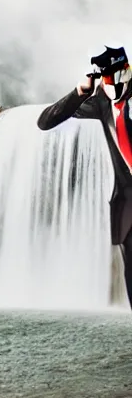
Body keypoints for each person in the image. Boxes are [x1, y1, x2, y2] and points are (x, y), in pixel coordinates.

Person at [37, 45, 132, 306]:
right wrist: (80, 93)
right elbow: (45, 122)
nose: (110, 82)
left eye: (114, 75)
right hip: (128, 208)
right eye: (105, 77)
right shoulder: (102, 103)